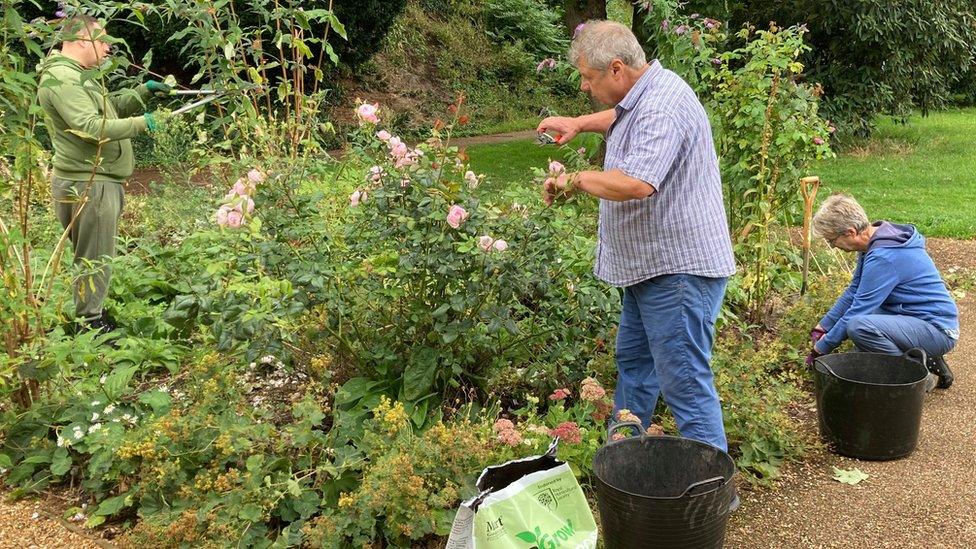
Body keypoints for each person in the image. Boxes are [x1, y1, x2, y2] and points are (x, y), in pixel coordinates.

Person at [538, 21, 736, 451]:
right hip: (652, 268)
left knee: (683, 379)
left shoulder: (662, 105)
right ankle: (625, 462)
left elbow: (636, 183)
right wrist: (579, 123)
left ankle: (711, 491)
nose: (586, 88)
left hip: (677, 272)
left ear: (615, 69)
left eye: (589, 79)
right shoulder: (644, 92)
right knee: (636, 369)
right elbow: (620, 116)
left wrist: (574, 179)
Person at [37, 15, 171, 333]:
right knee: (94, 256)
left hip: (95, 179)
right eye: (103, 40)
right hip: (90, 182)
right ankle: (91, 326)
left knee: (95, 252)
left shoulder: (79, 75)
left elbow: (107, 111)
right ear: (83, 41)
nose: (109, 47)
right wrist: (143, 123)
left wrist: (142, 93)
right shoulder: (63, 79)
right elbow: (90, 128)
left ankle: (92, 314)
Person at [808, 194, 957, 388]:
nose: (833, 247)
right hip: (916, 318)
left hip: (938, 329)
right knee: (862, 348)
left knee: (860, 327)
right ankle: (925, 356)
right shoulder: (877, 239)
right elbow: (854, 292)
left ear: (850, 232)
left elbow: (859, 310)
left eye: (832, 240)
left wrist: (821, 349)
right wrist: (823, 326)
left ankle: (914, 373)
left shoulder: (883, 257)